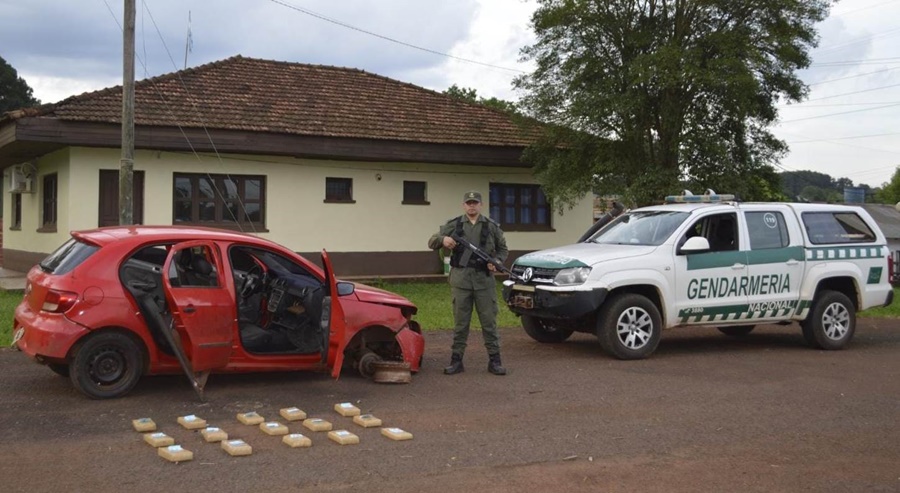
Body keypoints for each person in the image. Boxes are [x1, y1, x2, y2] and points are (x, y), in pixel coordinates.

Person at [428, 190, 509, 375]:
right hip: (461, 281)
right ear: (463, 205)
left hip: (484, 282)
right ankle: (456, 361)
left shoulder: (491, 226)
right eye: (468, 203)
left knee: (489, 323)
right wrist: (443, 239)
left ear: (481, 205)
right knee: (461, 323)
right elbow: (432, 241)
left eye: (475, 203)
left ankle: (494, 361)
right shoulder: (454, 225)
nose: (472, 206)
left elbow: (503, 249)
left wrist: (497, 262)